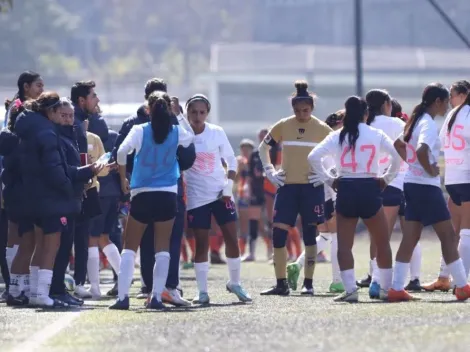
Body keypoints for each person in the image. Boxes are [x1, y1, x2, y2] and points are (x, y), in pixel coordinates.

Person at [308, 96, 401, 302]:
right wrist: (386, 178)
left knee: (344, 244)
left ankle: (350, 290)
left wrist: (330, 179)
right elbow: (397, 156)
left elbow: (313, 157)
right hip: (369, 187)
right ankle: (385, 289)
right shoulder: (375, 134)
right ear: (366, 114)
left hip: (346, 188)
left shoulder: (338, 135)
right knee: (382, 241)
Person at [15, 92, 103, 307]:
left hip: (39, 197)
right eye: (62, 114)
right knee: (50, 247)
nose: (66, 119)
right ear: (51, 112)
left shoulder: (34, 129)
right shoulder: (47, 132)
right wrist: (69, 188)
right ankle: (43, 294)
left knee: (40, 246)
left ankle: (34, 291)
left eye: (70, 115)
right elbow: (55, 170)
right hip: (52, 198)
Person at [110, 91, 194, 310]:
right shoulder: (176, 131)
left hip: (141, 194)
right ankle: (156, 297)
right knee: (162, 248)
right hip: (167, 194)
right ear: (169, 109)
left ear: (148, 109)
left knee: (129, 248)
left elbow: (121, 152)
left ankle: (122, 298)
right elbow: (191, 137)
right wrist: (180, 115)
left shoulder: (139, 130)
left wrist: (122, 178)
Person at [392, 82, 470, 301]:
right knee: (448, 236)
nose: (447, 107)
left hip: (411, 183)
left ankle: (396, 287)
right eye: (446, 102)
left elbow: (398, 144)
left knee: (410, 237)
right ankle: (463, 286)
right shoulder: (427, 123)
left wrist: (413, 165)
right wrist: (427, 169)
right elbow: (421, 150)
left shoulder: (415, 120)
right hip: (426, 187)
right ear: (438, 101)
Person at [258, 81, 332, 296]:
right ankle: (281, 284)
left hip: (312, 189)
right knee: (279, 235)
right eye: (297, 110)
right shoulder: (283, 125)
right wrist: (270, 172)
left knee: (309, 236)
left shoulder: (322, 129)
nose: (301, 114)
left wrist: (326, 175)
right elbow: (263, 148)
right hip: (287, 188)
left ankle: (308, 284)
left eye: (306, 110)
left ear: (312, 108)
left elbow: (338, 152)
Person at [184, 94, 252, 304]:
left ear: (207, 113)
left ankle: (235, 283)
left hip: (220, 195)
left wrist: (228, 187)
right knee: (202, 243)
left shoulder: (216, 132)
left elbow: (231, 161)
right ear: (187, 113)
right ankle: (202, 292)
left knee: (232, 237)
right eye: (193, 112)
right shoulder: (182, 134)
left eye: (201, 112)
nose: (197, 116)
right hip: (197, 197)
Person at [365, 90, 422, 296]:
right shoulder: (398, 124)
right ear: (387, 104)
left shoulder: (366, 125)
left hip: (369, 183)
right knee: (402, 234)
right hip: (395, 182)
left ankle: (375, 278)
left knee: (377, 236)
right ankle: (383, 283)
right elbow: (413, 150)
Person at [287, 109, 345, 294]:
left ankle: (297, 265)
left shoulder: (327, 143)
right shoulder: (331, 144)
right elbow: (332, 172)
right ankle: (337, 281)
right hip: (330, 196)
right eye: (343, 122)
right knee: (337, 236)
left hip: (322, 195)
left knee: (327, 237)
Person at [423, 80, 470, 292]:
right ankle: (463, 283)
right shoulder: (461, 113)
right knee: (465, 232)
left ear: (464, 94)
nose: (449, 100)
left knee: (453, 232)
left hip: (453, 178)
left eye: (452, 95)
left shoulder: (454, 115)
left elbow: (443, 144)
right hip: (465, 177)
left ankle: (444, 277)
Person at [0, 100, 35, 306]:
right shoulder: (20, 141)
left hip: (11, 193)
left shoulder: (8, 138)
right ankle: (17, 287)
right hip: (23, 194)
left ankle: (14, 286)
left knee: (14, 240)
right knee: (27, 242)